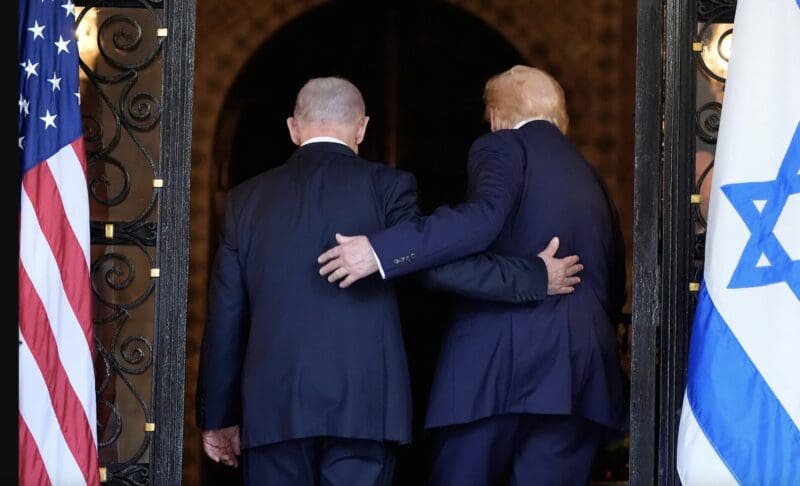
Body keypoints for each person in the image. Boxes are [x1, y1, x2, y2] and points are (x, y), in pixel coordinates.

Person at [195, 76, 583, 486]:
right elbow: (435, 266)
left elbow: (225, 317)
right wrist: (532, 275)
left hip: (272, 411)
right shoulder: (388, 186)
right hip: (365, 410)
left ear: (293, 128)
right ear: (362, 127)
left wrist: (218, 417)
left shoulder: (244, 201)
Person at [318, 65, 629, 485]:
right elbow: (613, 280)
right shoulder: (593, 177)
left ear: (496, 116)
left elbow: (482, 220)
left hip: (496, 374)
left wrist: (381, 251)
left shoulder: (503, 146)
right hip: (579, 377)